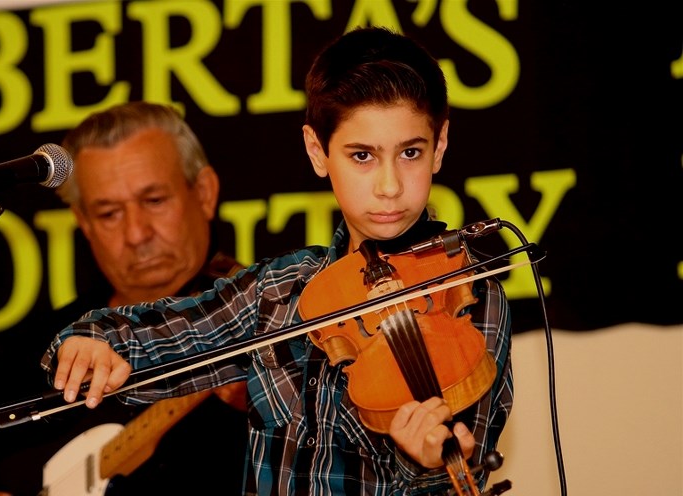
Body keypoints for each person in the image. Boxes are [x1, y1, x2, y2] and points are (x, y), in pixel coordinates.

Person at [42, 27, 513, 495]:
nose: (389, 185)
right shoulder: (277, 289)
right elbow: (171, 333)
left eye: (410, 152)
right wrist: (90, 340)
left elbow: (464, 475)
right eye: (362, 156)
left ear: (441, 146)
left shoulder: (470, 294)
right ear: (317, 151)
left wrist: (425, 466)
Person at [0, 101, 249, 496]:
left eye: (154, 201)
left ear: (205, 193)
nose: (136, 233)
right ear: (83, 224)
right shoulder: (55, 332)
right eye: (109, 213)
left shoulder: (255, 311)